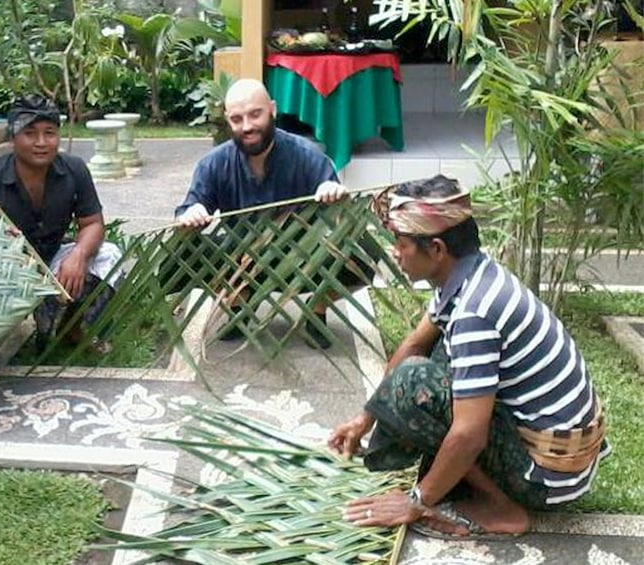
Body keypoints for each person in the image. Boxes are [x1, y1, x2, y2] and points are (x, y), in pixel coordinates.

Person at [329, 175, 609, 539]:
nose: (395, 253)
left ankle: (501, 509)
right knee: (426, 359)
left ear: (437, 249)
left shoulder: (476, 311)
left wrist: (417, 500)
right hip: (559, 453)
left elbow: (470, 434)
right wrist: (364, 418)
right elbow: (415, 344)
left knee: (414, 385)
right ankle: (458, 479)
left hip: (548, 476)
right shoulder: (471, 273)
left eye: (400, 243)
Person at [173, 78, 370, 348]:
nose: (247, 126)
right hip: (239, 264)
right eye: (237, 119)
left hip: (301, 262)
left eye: (256, 114)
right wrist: (192, 213)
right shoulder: (213, 163)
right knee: (181, 251)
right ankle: (238, 303)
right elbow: (191, 206)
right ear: (227, 120)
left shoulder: (306, 155)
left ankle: (317, 308)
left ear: (273, 109)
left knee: (364, 254)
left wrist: (330, 190)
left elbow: (334, 199)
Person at [0, 95, 123, 351]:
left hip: (53, 256)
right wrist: (1, 241)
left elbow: (93, 223)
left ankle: (72, 327)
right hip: (9, 266)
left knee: (108, 255)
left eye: (50, 133)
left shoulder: (74, 169)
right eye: (30, 133)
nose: (41, 142)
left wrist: (78, 255)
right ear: (13, 137)